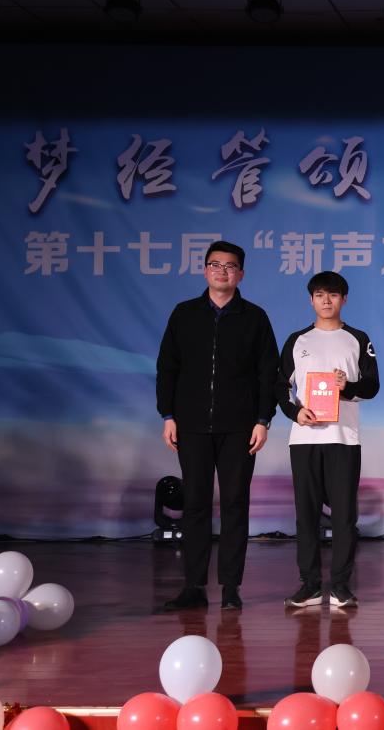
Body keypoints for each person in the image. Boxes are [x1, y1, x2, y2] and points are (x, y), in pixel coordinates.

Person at [156, 240, 278, 611]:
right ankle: (193, 586)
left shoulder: (254, 318)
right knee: (195, 503)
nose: (222, 271)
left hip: (240, 427)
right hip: (191, 425)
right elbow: (167, 367)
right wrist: (168, 415)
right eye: (215, 264)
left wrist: (263, 419)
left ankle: (230, 587)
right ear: (205, 269)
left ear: (241, 274)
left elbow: (268, 374)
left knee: (235, 504)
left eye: (230, 266)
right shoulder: (185, 314)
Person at [276, 271, 379, 609]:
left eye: (333, 295)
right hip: (304, 439)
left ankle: (340, 585)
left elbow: (372, 386)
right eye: (320, 295)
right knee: (306, 514)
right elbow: (279, 387)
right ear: (311, 300)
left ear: (344, 299)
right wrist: (296, 413)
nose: (326, 301)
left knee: (344, 515)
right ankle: (309, 585)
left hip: (343, 439)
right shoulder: (297, 340)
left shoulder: (358, 339)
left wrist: (347, 387)